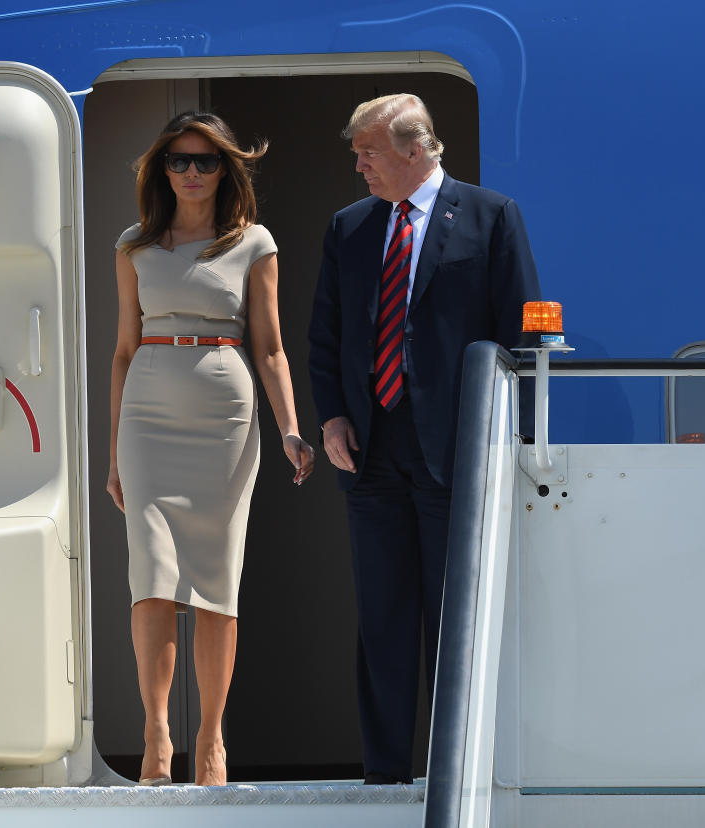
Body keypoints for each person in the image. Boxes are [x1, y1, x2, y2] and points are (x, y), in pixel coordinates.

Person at [307, 94, 540, 784]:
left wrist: (509, 441)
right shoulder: (349, 227)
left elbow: (522, 332)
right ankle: (384, 773)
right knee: (382, 618)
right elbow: (327, 333)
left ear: (415, 149)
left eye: (368, 152)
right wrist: (332, 417)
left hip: (456, 447)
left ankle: (454, 771)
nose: (358, 166)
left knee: (452, 619)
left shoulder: (491, 216)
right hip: (371, 448)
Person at [108, 111, 315, 787]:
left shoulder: (253, 242)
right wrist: (113, 454)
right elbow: (121, 352)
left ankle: (211, 739)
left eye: (205, 161)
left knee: (217, 579)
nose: (191, 173)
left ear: (225, 169)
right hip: (147, 411)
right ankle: (157, 733)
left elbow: (273, 347)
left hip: (225, 411)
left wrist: (289, 427)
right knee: (152, 575)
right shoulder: (135, 245)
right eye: (178, 161)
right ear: (161, 169)